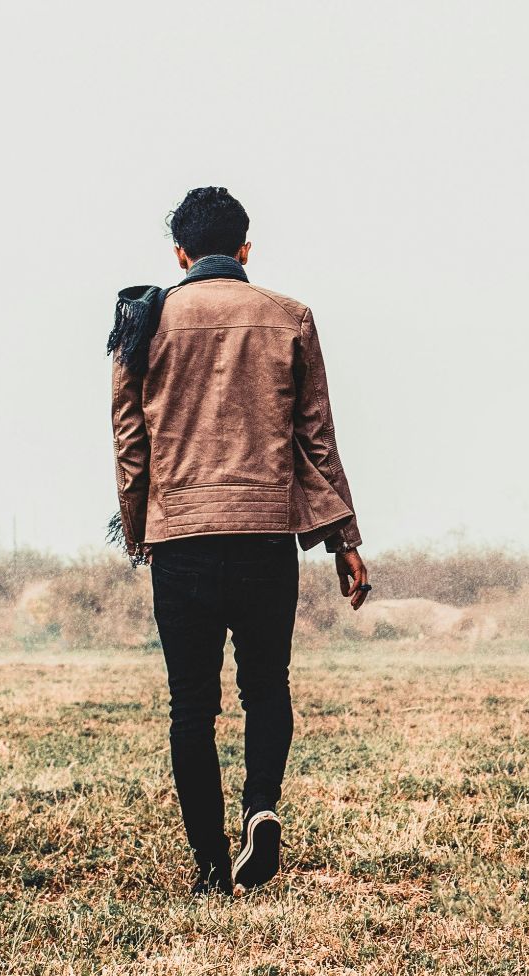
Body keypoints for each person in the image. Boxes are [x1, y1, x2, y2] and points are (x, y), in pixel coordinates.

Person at [109, 186, 372, 897]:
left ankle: (209, 869)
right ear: (246, 249)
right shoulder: (289, 317)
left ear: (181, 254)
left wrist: (140, 532)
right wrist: (344, 537)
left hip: (182, 537)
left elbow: (130, 442)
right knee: (266, 688)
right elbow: (317, 437)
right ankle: (261, 804)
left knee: (191, 707)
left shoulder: (145, 318)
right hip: (265, 534)